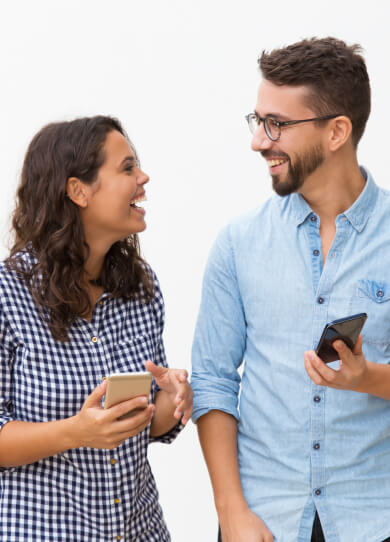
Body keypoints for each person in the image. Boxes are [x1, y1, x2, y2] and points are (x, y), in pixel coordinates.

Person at [191, 37, 390, 542]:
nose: (259, 140)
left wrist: (369, 378)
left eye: (277, 124)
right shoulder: (238, 243)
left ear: (337, 132)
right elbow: (213, 379)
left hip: (373, 519)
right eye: (257, 121)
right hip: (263, 523)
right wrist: (231, 512)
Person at [0, 116, 193, 541]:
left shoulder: (141, 287)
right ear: (78, 191)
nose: (143, 178)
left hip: (140, 531)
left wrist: (173, 396)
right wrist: (76, 432)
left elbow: (149, 423)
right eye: (127, 168)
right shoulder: (6, 294)